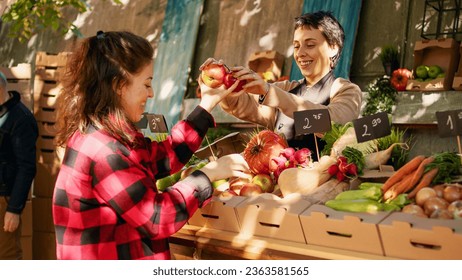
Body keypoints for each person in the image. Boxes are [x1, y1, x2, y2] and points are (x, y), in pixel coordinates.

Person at [52, 31, 251, 260]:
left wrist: (206, 104)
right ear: (119, 85)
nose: (151, 93)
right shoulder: (104, 151)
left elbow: (165, 156)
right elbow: (157, 217)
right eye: (146, 84)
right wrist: (207, 174)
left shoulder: (108, 135)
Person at [209, 11, 362, 161]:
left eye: (310, 45)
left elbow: (335, 123)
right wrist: (221, 83)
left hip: (320, 181)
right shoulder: (287, 88)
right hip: (277, 180)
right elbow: (243, 105)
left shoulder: (344, 90)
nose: (300, 53)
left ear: (333, 48)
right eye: (296, 46)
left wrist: (274, 95)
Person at [0, 71, 38, 259]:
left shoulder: (21, 119)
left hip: (4, 200)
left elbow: (27, 167)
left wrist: (14, 209)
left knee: (7, 258)